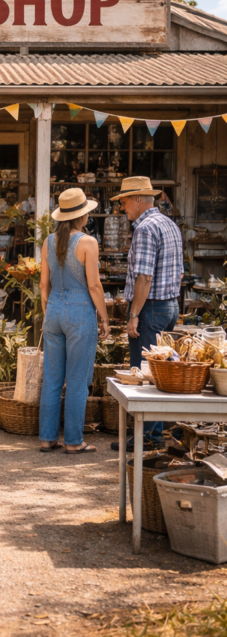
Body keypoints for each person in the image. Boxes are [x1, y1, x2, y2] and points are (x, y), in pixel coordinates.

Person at [109, 175, 183, 450]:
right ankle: (160, 430)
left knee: (145, 371)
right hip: (170, 304)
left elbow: (144, 277)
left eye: (125, 201)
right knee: (164, 371)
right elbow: (180, 270)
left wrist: (133, 314)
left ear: (139, 199)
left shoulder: (145, 229)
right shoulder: (169, 224)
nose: (123, 207)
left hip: (150, 307)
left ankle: (148, 437)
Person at [39, 188, 110, 453]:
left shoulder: (49, 241)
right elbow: (94, 286)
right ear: (82, 215)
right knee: (78, 380)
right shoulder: (88, 243)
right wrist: (104, 318)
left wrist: (49, 311)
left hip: (54, 310)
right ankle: (73, 441)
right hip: (80, 313)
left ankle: (47, 438)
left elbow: (43, 285)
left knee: (53, 379)